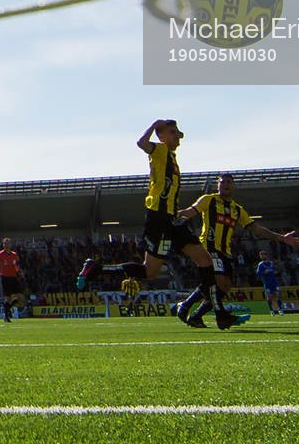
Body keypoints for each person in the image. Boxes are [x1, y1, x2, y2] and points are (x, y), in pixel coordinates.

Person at [80, 119, 219, 326]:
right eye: (173, 133)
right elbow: (141, 143)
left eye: (177, 134)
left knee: (205, 260)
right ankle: (97, 269)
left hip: (171, 219)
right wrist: (155, 125)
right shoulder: (160, 150)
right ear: (161, 136)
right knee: (150, 271)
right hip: (159, 219)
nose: (177, 138)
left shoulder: (171, 156)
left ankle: (212, 310)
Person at [177, 173, 299, 329]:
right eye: (223, 182)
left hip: (226, 251)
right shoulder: (209, 200)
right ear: (218, 185)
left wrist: (281, 238)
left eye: (229, 182)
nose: (226, 185)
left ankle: (193, 314)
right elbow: (190, 211)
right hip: (209, 247)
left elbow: (257, 229)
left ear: (233, 186)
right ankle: (217, 316)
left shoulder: (237, 210)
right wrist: (175, 216)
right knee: (217, 281)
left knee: (225, 286)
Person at [0, 237, 24, 322]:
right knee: (8, 298)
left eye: (8, 243)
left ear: (10, 244)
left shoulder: (14, 255)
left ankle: (6, 311)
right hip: (5, 278)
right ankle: (6, 316)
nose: (7, 245)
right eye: (5, 243)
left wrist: (20, 273)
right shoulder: (0, 254)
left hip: (14, 278)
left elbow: (17, 266)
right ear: (3, 245)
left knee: (19, 297)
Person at [254, 248, 284, 316]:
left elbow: (275, 270)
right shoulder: (261, 264)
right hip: (267, 283)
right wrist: (264, 272)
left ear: (266, 255)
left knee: (278, 294)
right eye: (261, 255)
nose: (262, 256)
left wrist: (276, 271)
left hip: (274, 282)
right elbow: (258, 273)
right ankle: (271, 310)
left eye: (263, 255)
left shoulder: (271, 263)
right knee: (269, 296)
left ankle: (280, 309)